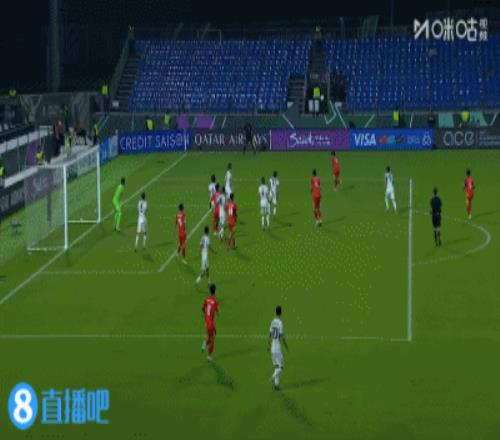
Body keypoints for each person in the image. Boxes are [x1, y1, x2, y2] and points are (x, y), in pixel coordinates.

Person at [268, 305, 288, 390]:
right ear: (281, 312)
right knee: (281, 367)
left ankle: (276, 385)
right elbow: (281, 336)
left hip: (272, 348)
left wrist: (268, 345)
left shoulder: (273, 321)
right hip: (277, 348)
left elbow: (270, 334)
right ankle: (273, 378)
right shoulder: (280, 323)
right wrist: (286, 345)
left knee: (276, 366)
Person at [201, 283, 219, 362]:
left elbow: (202, 308)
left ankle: (205, 342)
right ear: (215, 290)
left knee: (213, 334)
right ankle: (209, 355)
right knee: (212, 339)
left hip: (207, 320)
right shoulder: (215, 301)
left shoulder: (206, 299)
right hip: (210, 322)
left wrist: (206, 314)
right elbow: (217, 312)